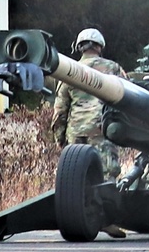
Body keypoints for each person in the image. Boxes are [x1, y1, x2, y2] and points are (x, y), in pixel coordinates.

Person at [52, 27, 129, 238]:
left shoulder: (69, 70)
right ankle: (107, 221)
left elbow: (60, 110)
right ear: (100, 46)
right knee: (107, 175)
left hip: (76, 132)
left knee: (76, 179)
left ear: (78, 47)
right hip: (102, 129)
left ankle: (80, 218)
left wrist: (60, 139)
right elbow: (128, 99)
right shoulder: (112, 68)